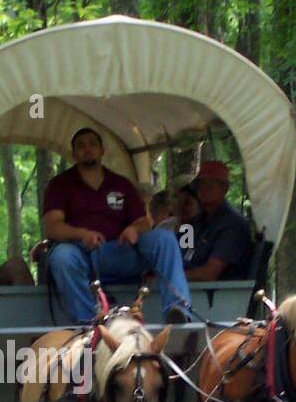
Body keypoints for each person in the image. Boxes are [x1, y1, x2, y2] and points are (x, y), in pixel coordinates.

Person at [42, 127, 192, 324]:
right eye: (81, 146)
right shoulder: (60, 185)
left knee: (164, 238)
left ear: (102, 151)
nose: (88, 149)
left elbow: (144, 223)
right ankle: (89, 323)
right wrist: (82, 234)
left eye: (93, 144)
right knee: (61, 256)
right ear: (73, 154)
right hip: (82, 254)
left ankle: (177, 310)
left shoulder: (121, 184)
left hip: (120, 252)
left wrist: (134, 229)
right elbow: (52, 226)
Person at [182, 160, 254, 282]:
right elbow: (182, 254)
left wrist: (171, 278)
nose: (203, 190)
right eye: (200, 185)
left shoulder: (233, 225)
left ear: (224, 189)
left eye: (209, 186)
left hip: (218, 294)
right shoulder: (194, 223)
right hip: (189, 289)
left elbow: (209, 274)